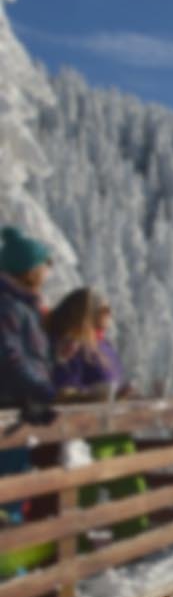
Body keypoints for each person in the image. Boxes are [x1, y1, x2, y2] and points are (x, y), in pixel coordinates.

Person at [45, 287, 146, 541]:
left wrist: (121, 395)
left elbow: (109, 384)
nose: (110, 314)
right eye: (103, 309)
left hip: (111, 429)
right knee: (83, 491)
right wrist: (91, 397)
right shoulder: (71, 345)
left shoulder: (104, 346)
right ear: (86, 313)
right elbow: (61, 391)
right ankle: (74, 545)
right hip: (82, 434)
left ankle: (136, 536)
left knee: (130, 481)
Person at [0, 226, 57, 577]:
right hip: (10, 412)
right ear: (27, 270)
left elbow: (34, 358)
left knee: (19, 494)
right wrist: (42, 391)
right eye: (42, 267)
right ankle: (11, 583)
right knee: (8, 497)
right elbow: (11, 359)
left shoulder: (22, 305)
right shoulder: (6, 306)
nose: (47, 274)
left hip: (21, 411)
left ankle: (14, 579)